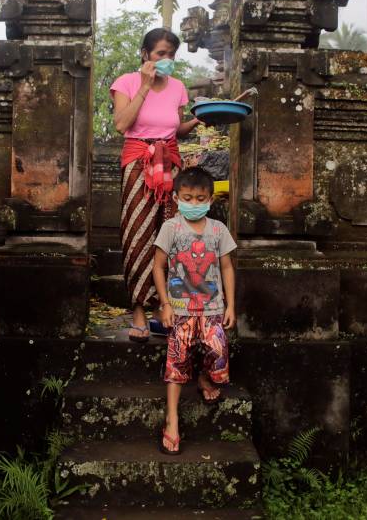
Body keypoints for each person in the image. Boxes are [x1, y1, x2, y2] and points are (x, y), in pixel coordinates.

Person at [111, 29, 202, 342]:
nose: (166, 60)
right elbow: (122, 124)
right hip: (139, 163)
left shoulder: (178, 87)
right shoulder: (126, 82)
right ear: (145, 54)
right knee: (138, 234)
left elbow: (177, 130)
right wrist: (145, 87)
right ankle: (138, 311)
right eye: (161, 53)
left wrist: (201, 119)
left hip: (170, 164)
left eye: (171, 55)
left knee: (170, 238)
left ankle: (164, 311)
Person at [152, 167, 237, 455]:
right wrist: (165, 304)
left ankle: (203, 377)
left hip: (212, 308)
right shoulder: (171, 228)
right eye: (188, 197)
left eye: (201, 199)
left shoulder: (218, 230)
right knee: (176, 363)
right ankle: (172, 419)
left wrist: (230, 304)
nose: (194, 203)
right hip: (179, 310)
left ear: (211, 200)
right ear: (176, 198)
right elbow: (158, 266)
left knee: (218, 350)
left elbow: (226, 267)